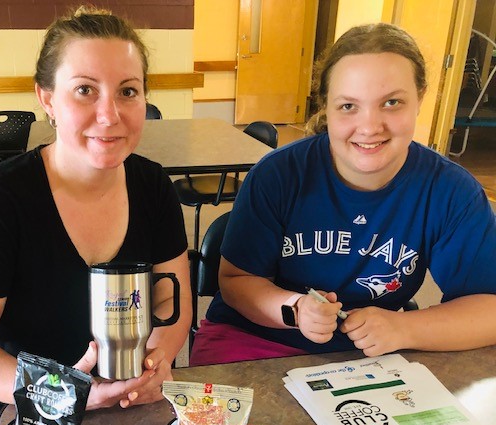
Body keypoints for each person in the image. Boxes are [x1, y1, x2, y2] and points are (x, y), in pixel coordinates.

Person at [0, 6, 191, 425]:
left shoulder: (153, 187)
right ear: (47, 99)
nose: (109, 115)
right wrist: (67, 393)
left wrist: (154, 364)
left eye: (128, 91)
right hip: (4, 408)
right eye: (85, 90)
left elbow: (169, 303)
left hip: (125, 399)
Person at [190, 23, 496, 366]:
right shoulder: (277, 175)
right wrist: (296, 310)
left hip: (369, 354)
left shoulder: (451, 191)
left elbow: (489, 308)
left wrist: (404, 327)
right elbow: (236, 281)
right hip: (253, 339)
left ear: (420, 98)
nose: (370, 127)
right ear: (326, 106)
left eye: (392, 102)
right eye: (349, 106)